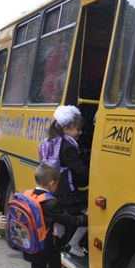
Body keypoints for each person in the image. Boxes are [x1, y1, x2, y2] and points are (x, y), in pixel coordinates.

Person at [16, 164, 88, 268]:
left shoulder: (29, 195)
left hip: (32, 242)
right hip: (40, 248)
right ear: (51, 184)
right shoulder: (50, 203)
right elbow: (68, 220)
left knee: (56, 249)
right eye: (58, 184)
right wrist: (87, 219)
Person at [43, 105, 89, 257]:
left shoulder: (54, 141)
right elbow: (79, 170)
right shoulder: (68, 146)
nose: (80, 132)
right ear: (67, 128)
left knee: (59, 221)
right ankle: (72, 244)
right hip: (66, 191)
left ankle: (58, 250)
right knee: (89, 213)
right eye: (78, 129)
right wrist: (94, 176)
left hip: (55, 188)